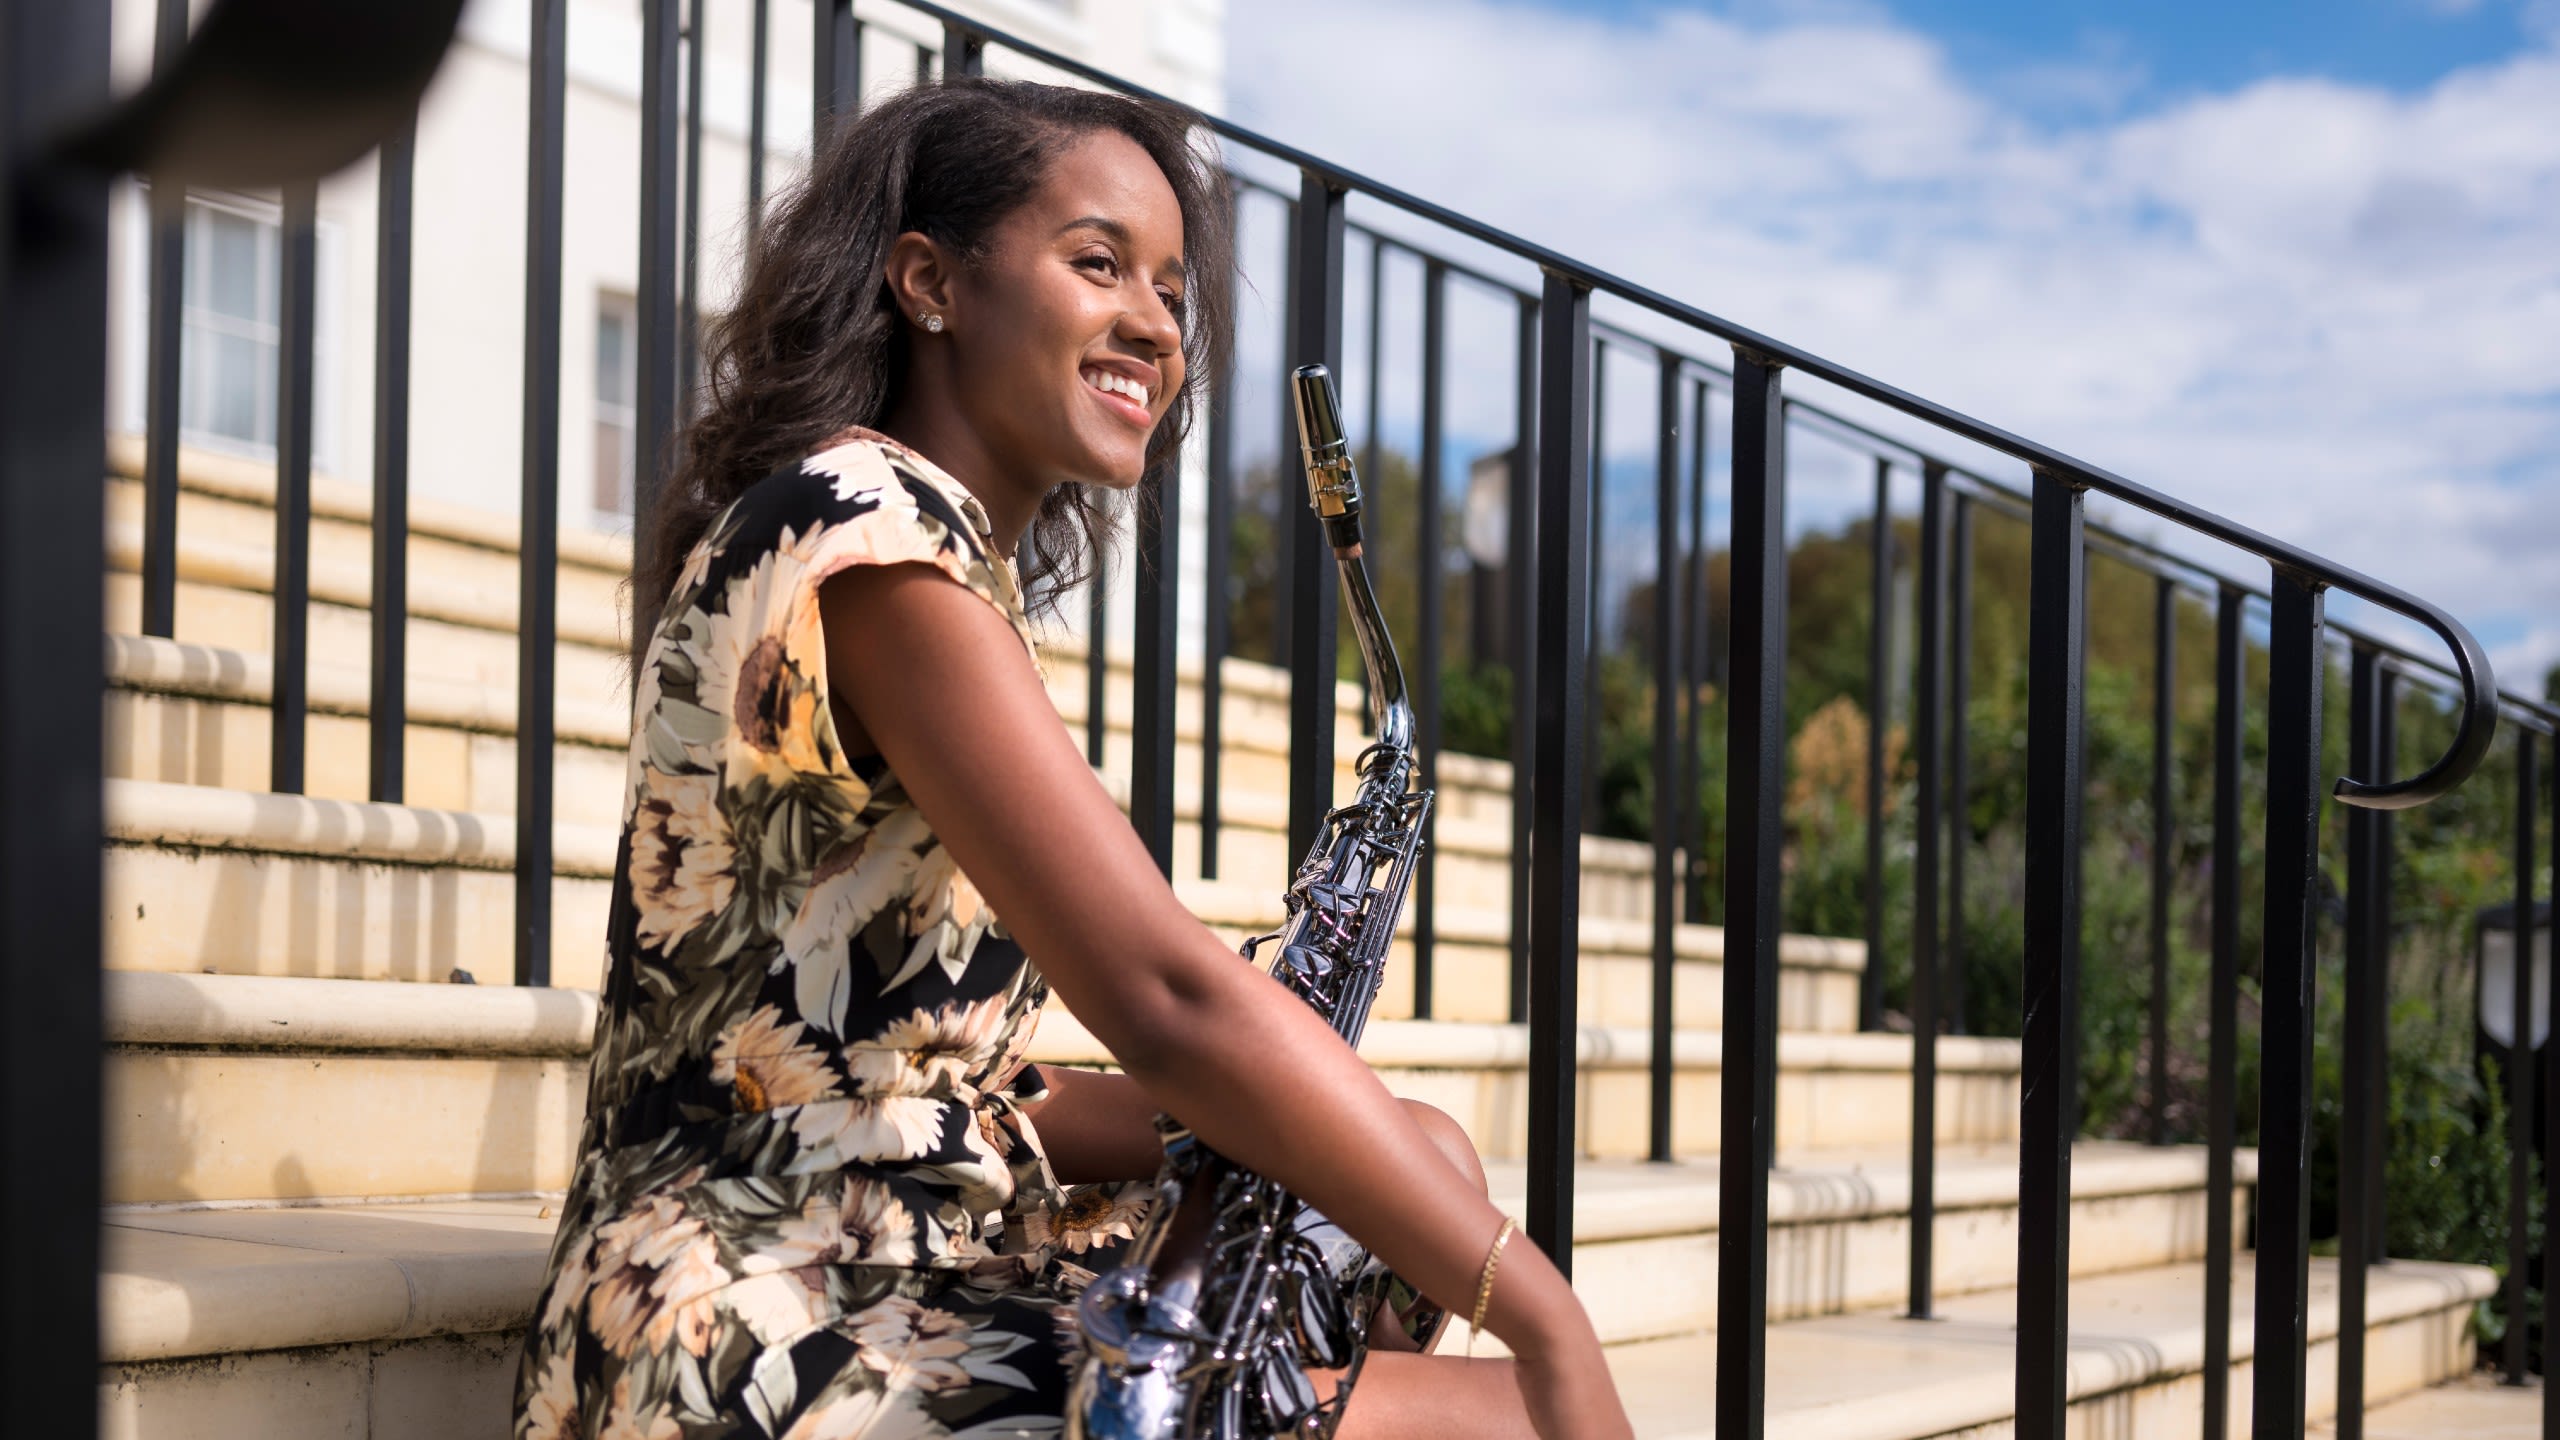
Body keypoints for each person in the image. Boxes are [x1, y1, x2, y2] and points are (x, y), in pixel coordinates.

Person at [515, 76, 1633, 1440]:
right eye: (1098, 263)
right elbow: (1164, 994)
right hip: (751, 1303)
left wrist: (1296, 1138)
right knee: (1514, 1410)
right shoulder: (870, 532)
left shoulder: (915, 547)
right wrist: (1541, 1308)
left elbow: (923, 1061)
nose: (1156, 325)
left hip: (875, 1211)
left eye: (1171, 289)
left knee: (1415, 1171)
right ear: (931, 282)